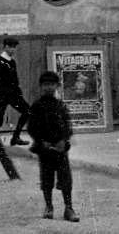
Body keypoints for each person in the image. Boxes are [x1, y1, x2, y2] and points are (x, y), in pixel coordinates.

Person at [27, 71, 78, 223]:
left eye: (52, 85)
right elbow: (32, 127)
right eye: (45, 85)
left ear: (57, 86)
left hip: (60, 149)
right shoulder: (36, 106)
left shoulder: (61, 106)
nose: (49, 88)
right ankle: (49, 206)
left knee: (65, 178)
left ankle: (68, 208)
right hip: (45, 149)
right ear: (41, 87)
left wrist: (63, 140)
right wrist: (41, 141)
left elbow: (67, 126)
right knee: (47, 178)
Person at [0, 38, 29, 153]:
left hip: (13, 94)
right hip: (2, 95)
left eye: (14, 47)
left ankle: (15, 138)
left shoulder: (12, 61)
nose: (12, 49)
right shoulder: (0, 61)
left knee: (27, 111)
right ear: (5, 47)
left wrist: (18, 93)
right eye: (10, 47)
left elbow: (14, 80)